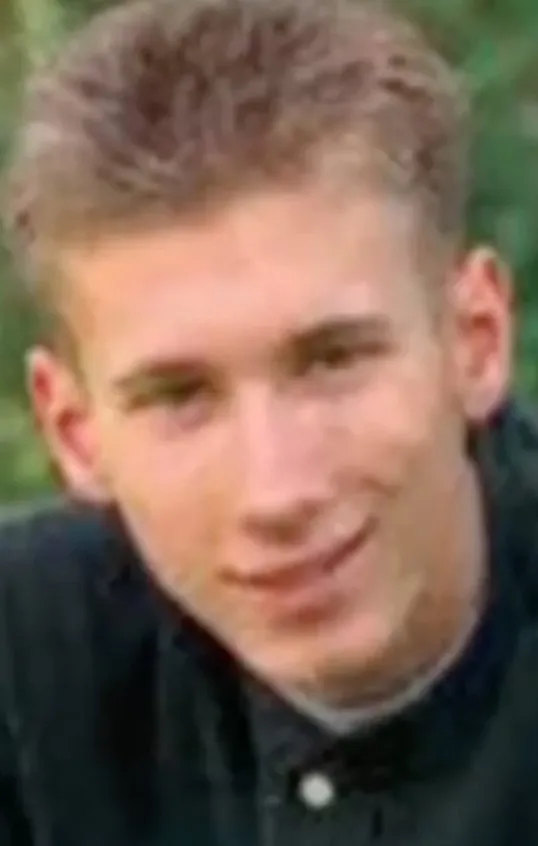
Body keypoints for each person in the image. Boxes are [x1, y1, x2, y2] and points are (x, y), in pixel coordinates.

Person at [1, 0, 538, 842]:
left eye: (334, 360)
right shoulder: (26, 666)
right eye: (179, 397)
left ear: (476, 341)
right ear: (75, 431)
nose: (276, 490)